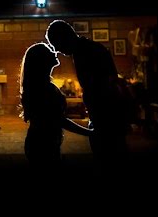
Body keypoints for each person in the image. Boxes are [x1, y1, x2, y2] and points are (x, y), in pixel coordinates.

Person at [46, 19, 130, 168]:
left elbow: (105, 85)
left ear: (65, 38)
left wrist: (98, 116)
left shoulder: (87, 52)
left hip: (106, 114)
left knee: (110, 158)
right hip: (103, 113)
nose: (58, 51)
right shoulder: (85, 50)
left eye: (57, 45)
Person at [19, 42, 92, 170]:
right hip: (43, 144)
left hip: (43, 141)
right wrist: (89, 133)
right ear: (42, 60)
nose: (54, 51)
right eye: (49, 50)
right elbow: (59, 120)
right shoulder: (43, 88)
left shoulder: (44, 85)